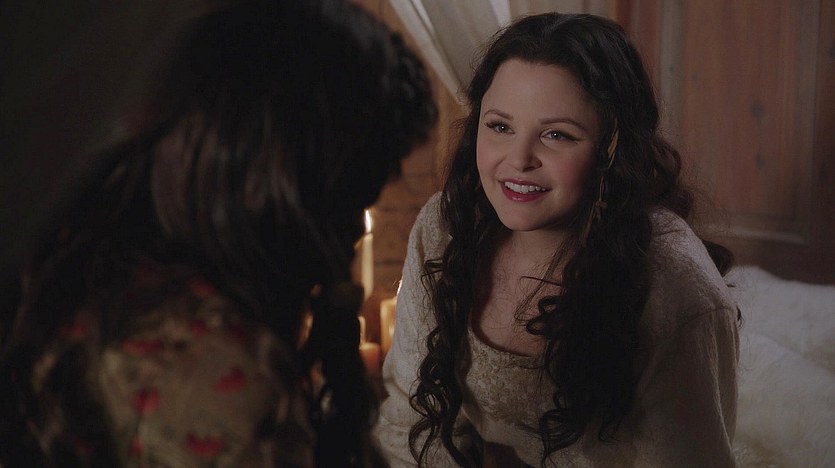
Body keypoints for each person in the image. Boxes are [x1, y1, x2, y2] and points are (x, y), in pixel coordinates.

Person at [0, 0, 437, 466]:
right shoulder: (209, 370)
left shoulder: (95, 265)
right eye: (353, 195)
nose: (354, 230)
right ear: (284, 182)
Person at [374, 12, 739, 467]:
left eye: (556, 135)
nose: (519, 159)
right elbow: (410, 423)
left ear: (612, 149)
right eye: (500, 126)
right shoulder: (446, 226)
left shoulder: (675, 288)